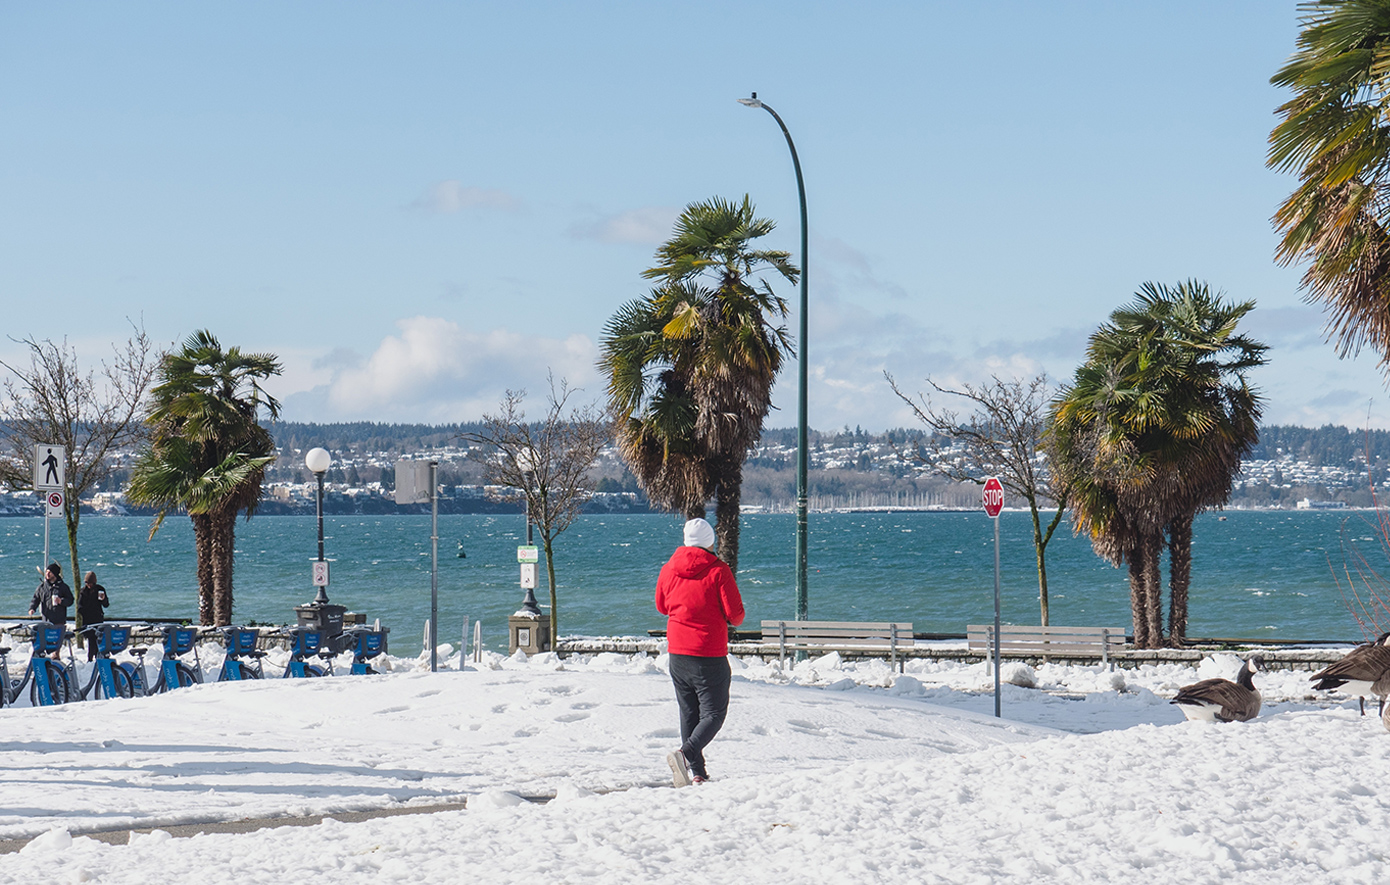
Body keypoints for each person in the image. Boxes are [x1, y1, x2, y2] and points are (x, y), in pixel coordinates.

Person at [654, 517, 745, 787]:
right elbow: (736, 616)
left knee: (689, 713)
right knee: (714, 714)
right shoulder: (719, 570)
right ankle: (685, 754)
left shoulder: (668, 569)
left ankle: (697, 773)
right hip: (708, 653)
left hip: (678, 653)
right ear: (710, 542)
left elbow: (661, 606)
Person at [77, 571, 111, 661]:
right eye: (87, 583)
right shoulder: (83, 591)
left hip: (97, 618)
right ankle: (90, 658)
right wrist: (84, 613)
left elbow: (106, 604)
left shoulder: (100, 590)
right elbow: (79, 606)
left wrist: (103, 599)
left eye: (91, 583)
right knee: (91, 639)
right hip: (87, 619)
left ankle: (97, 656)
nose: (89, 585)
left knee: (98, 639)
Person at [30, 562, 74, 627]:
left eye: (50, 572)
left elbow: (70, 600)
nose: (47, 574)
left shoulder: (63, 587)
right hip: (46, 620)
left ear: (55, 574)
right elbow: (35, 599)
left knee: (57, 636)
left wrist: (61, 601)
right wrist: (32, 608)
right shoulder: (42, 587)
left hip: (59, 621)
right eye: (46, 571)